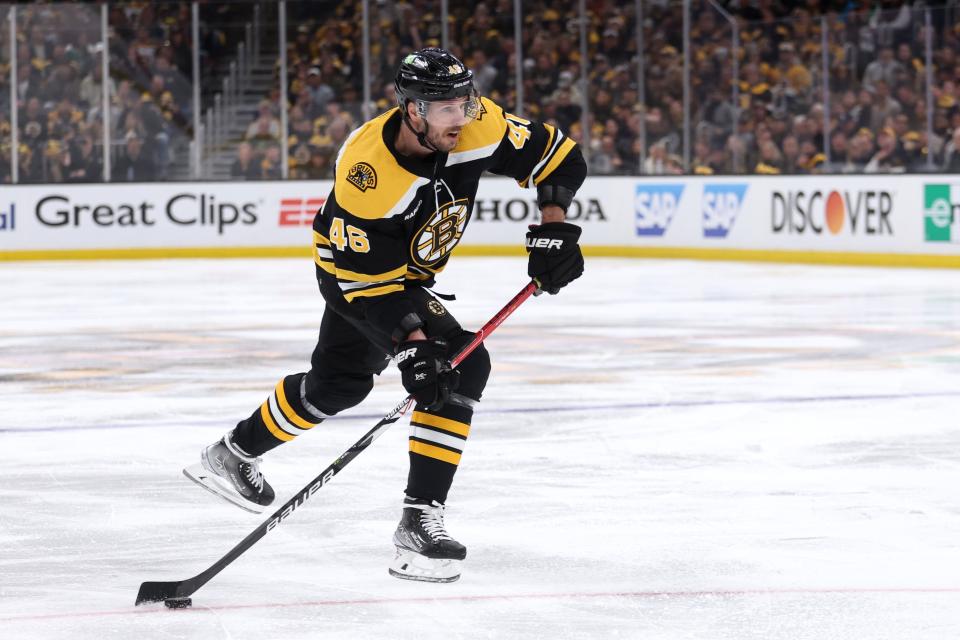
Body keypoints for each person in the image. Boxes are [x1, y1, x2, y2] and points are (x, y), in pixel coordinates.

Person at [186, 48, 586, 583]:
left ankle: (232, 453)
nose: (462, 117)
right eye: (447, 108)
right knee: (462, 363)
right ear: (413, 110)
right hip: (356, 278)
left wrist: (553, 228)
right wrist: (415, 346)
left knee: (338, 387)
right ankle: (419, 523)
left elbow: (558, 157)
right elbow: (371, 284)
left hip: (408, 276)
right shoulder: (369, 172)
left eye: (466, 102)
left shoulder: (478, 122)